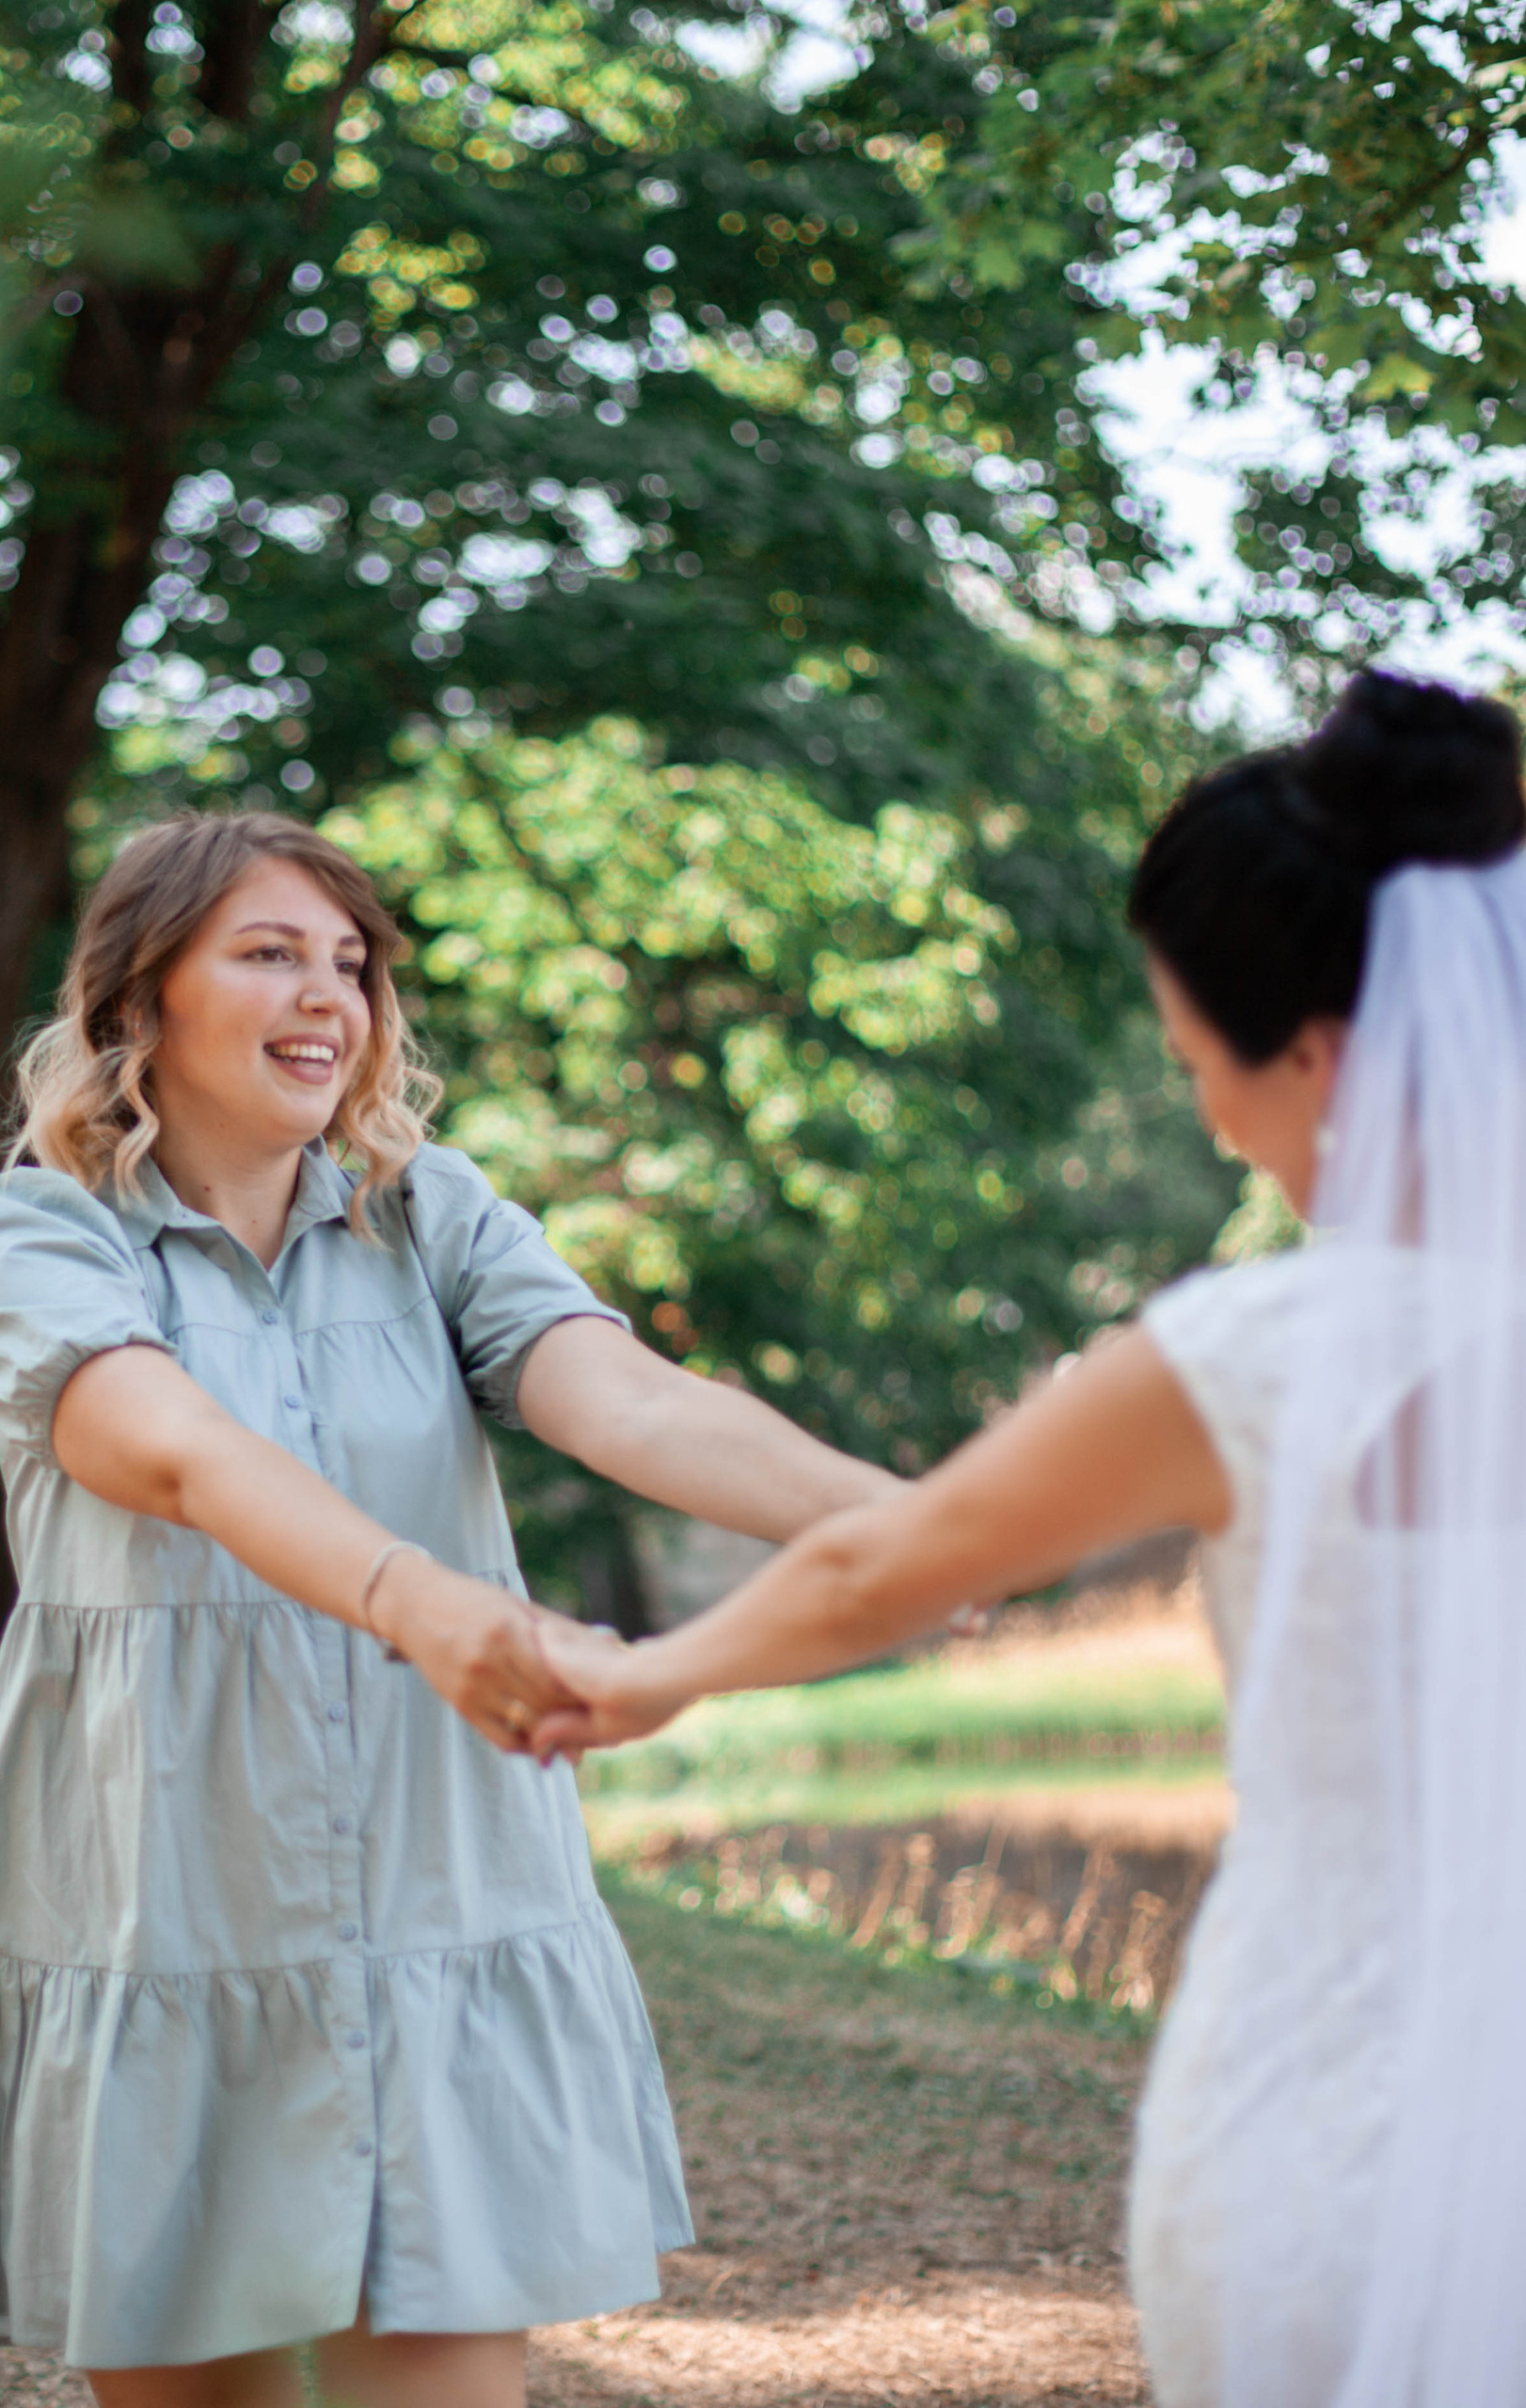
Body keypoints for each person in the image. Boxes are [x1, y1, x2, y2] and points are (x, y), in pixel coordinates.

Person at [533, 669, 1526, 2406]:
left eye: (1194, 1061)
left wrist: (643, 1675)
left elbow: (896, 1561)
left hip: (1333, 2086)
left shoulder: (1259, 1358)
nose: (1213, 1113)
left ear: (1315, 1049)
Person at [0, 811, 904, 2406]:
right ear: (136, 1001)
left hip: (441, 1894)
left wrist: (930, 1526)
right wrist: (421, 1604)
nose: (330, 996)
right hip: (170, 1905)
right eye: (268, 953)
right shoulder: (39, 1231)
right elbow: (167, 1452)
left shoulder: (427, 1211)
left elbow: (634, 1407)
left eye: (352, 963)